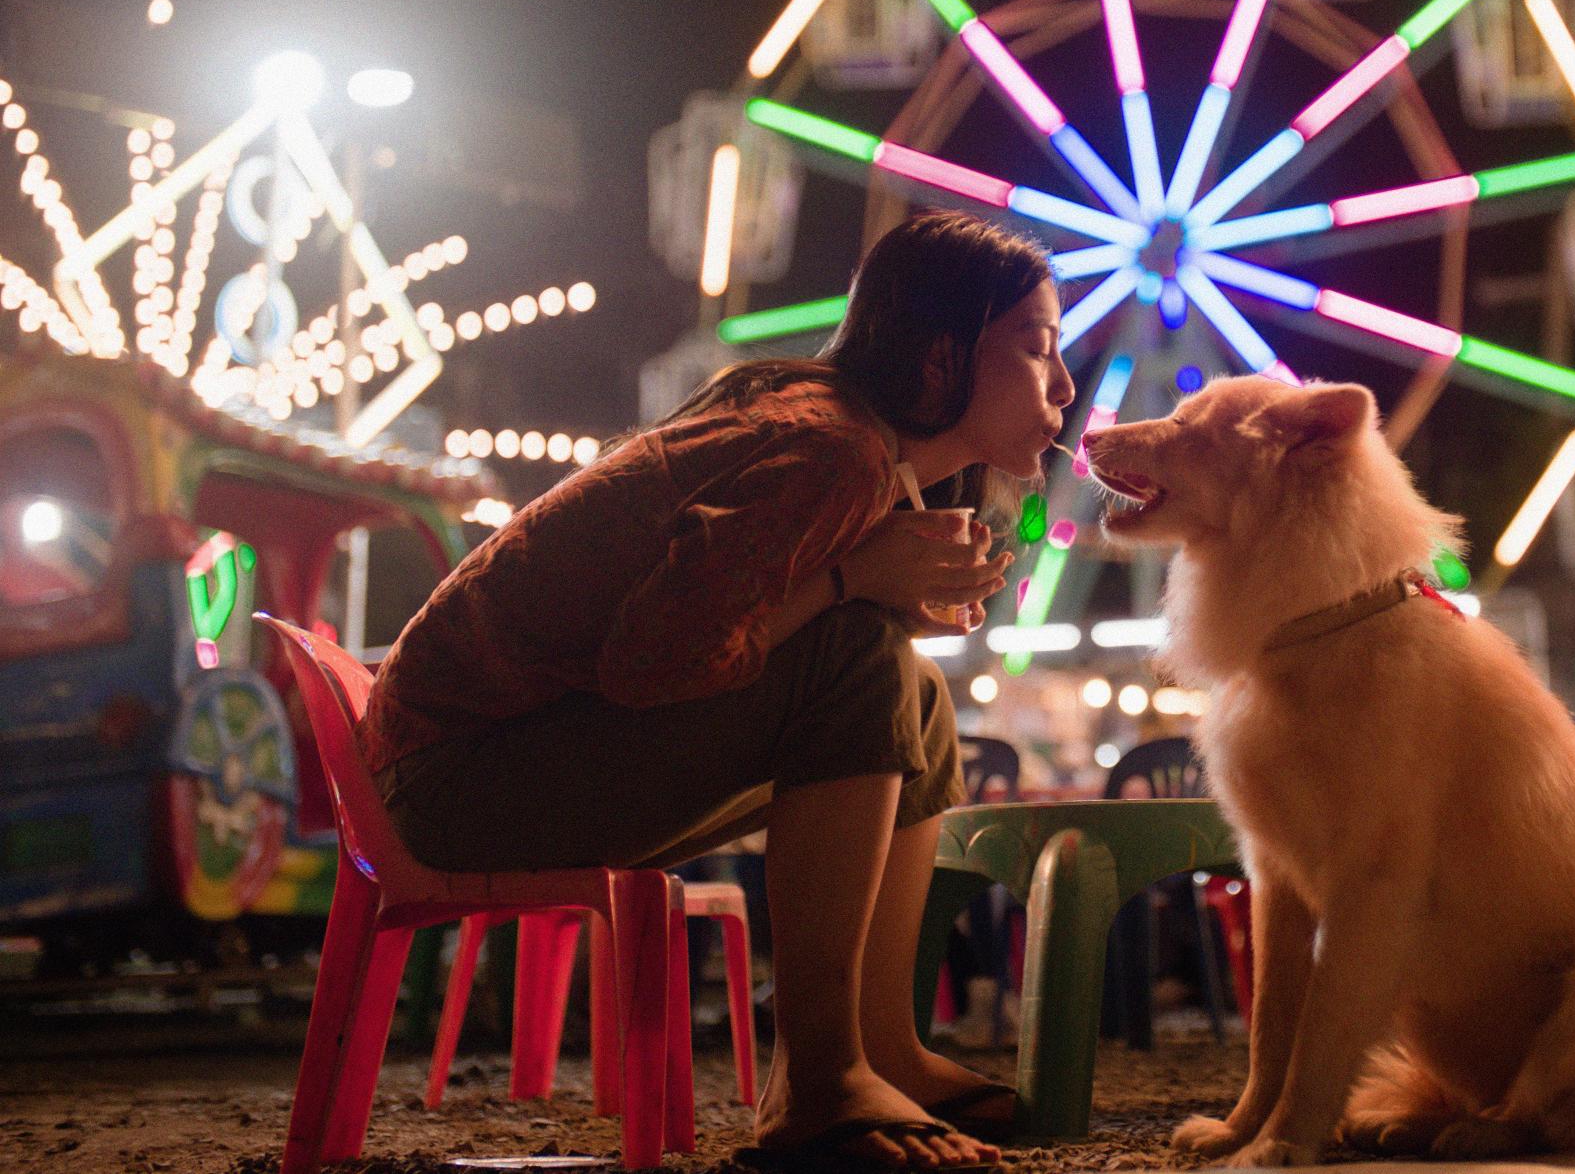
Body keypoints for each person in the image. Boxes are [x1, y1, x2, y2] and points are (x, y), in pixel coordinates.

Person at [358, 210, 1075, 1172]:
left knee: (919, 697)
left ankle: (881, 1048)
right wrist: (856, 585)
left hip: (501, 753)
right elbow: (652, 660)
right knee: (860, 653)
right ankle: (821, 1083)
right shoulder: (830, 448)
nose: (1065, 386)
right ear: (941, 356)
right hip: (458, 781)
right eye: (1035, 348)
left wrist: (884, 587)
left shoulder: (845, 443)